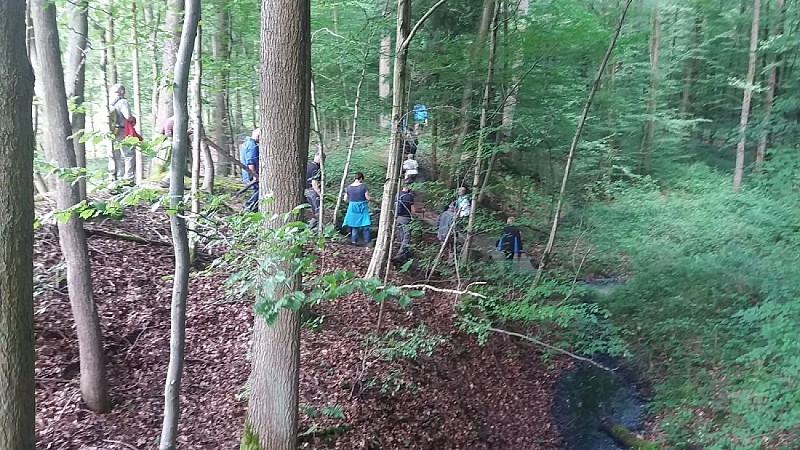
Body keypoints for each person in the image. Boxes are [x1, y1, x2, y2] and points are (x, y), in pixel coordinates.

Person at [109, 84, 135, 182]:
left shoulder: (108, 102)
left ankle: (114, 178)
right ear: (122, 91)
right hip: (122, 131)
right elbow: (128, 116)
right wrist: (133, 119)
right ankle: (128, 179)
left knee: (114, 155)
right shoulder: (122, 101)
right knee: (129, 154)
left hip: (110, 131)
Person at [343, 172, 374, 245]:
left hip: (352, 206)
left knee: (354, 226)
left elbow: (345, 199)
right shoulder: (364, 186)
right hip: (362, 206)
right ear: (361, 178)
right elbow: (368, 198)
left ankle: (354, 242)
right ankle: (367, 243)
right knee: (365, 225)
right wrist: (376, 201)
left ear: (355, 178)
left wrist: (352, 200)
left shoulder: (348, 187)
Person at [393, 184, 415, 260]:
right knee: (407, 236)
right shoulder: (409, 196)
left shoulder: (397, 194)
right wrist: (422, 210)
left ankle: (405, 254)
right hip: (406, 218)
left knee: (402, 236)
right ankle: (400, 254)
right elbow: (413, 210)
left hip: (397, 217)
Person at [240, 128, 260, 212]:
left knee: (257, 191)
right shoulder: (252, 145)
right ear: (258, 136)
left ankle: (254, 209)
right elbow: (250, 161)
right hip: (251, 174)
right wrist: (254, 175)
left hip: (246, 173)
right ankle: (249, 206)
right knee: (260, 190)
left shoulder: (246, 143)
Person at [305, 153, 322, 229]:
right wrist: (320, 193)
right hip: (312, 191)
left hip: (306, 190)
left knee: (313, 209)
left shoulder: (307, 165)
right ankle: (310, 229)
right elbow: (314, 182)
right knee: (317, 211)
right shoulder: (316, 168)